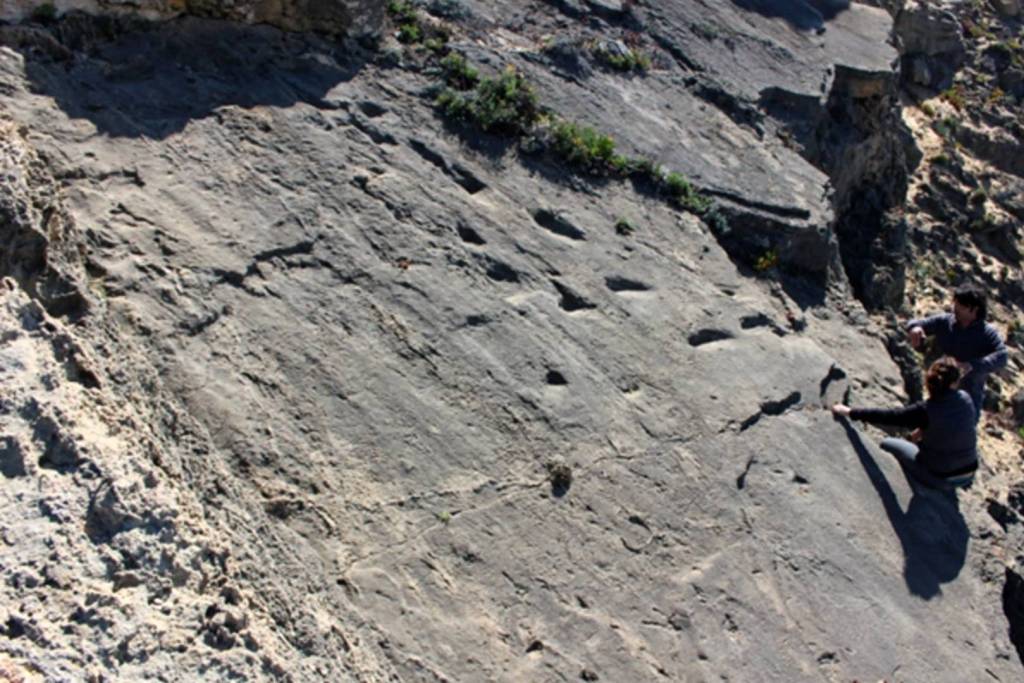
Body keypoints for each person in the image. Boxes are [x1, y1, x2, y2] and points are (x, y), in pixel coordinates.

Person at [832, 358, 978, 490]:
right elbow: (951, 425)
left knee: (887, 443)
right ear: (954, 382)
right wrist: (917, 434)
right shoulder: (966, 399)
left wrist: (849, 412)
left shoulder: (925, 410)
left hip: (940, 477)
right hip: (968, 473)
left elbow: (888, 417)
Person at [906, 284, 1008, 421]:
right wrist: (915, 327)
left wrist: (972, 365)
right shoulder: (946, 322)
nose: (955, 307)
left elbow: (1002, 356)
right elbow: (918, 323)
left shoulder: (987, 334)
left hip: (968, 400)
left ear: (973, 310)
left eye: (960, 305)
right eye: (955, 303)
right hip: (940, 394)